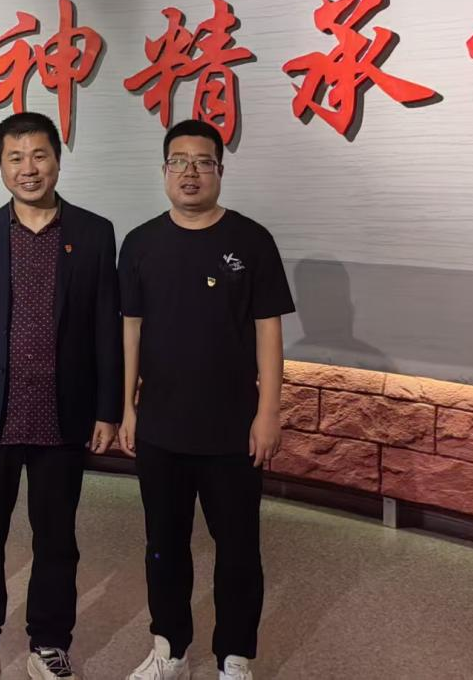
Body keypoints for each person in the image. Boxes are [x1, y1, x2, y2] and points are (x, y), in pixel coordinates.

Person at [0, 111, 122, 680]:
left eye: (39, 155)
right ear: (0, 166)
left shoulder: (94, 233)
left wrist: (108, 409)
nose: (28, 168)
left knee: (57, 539)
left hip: (62, 414)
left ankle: (49, 643)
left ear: (57, 160)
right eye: (15, 158)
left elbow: (106, 328)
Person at [118, 119, 296, 680]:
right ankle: (169, 648)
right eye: (179, 161)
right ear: (164, 170)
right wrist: (126, 408)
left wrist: (268, 412)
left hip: (233, 429)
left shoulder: (252, 240)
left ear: (220, 170)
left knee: (239, 548)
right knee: (163, 544)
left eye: (203, 162)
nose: (190, 172)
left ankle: (235, 656)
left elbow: (268, 330)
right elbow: (131, 329)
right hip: (160, 427)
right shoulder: (140, 243)